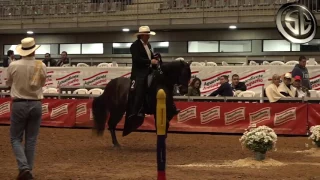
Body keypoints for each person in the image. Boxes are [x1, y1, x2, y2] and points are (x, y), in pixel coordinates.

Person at [6, 37, 47, 180]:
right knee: (31, 139)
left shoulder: (13, 65)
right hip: (36, 103)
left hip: (19, 103)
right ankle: (27, 170)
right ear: (34, 50)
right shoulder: (40, 65)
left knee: (15, 138)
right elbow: (42, 83)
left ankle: (23, 168)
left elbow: (8, 83)